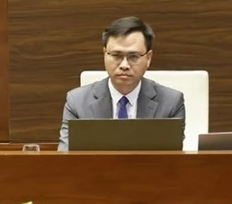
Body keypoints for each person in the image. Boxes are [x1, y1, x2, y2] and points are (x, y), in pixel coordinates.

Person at [57, 16, 185, 151]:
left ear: (148, 58)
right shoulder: (77, 102)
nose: (124, 65)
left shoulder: (171, 103)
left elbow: (172, 159)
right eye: (116, 55)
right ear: (105, 55)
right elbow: (66, 158)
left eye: (133, 56)